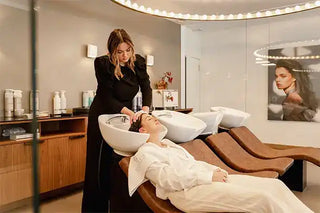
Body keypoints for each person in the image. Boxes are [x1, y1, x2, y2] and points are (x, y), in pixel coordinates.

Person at [128, 113, 313, 213]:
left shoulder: (168, 145)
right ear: (142, 129)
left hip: (203, 180)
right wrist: (208, 176)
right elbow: (168, 180)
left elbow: (193, 164)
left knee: (275, 185)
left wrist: (213, 172)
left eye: (153, 116)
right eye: (149, 119)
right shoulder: (146, 153)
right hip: (186, 192)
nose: (154, 118)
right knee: (263, 200)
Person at [81, 29, 152, 212]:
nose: (125, 55)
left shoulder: (138, 63)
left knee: (118, 161)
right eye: (119, 52)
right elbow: (106, 97)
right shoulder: (102, 64)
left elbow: (146, 88)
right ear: (112, 51)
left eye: (127, 50)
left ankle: (116, 206)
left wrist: (144, 111)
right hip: (103, 113)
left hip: (123, 116)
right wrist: (130, 113)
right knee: (99, 163)